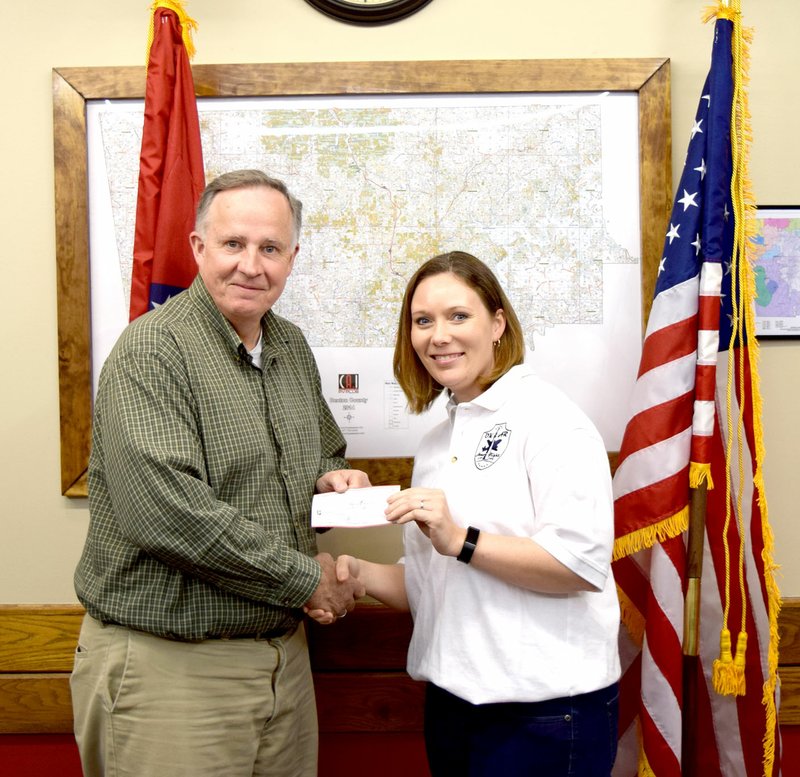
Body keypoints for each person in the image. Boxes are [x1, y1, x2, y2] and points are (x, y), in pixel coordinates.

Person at [70, 169, 368, 777]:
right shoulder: (153, 351)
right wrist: (305, 580)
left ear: (292, 258)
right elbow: (169, 514)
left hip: (284, 662)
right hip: (172, 671)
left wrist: (333, 479)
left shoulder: (290, 346)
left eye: (270, 248)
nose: (251, 266)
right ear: (198, 247)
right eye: (233, 244)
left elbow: (323, 452)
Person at [322, 251, 621, 775]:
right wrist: (356, 574)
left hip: (544, 717)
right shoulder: (438, 441)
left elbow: (581, 566)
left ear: (498, 323)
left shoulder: (551, 420)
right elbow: (430, 580)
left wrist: (461, 538)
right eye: (423, 321)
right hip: (453, 707)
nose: (439, 335)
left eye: (458, 316)